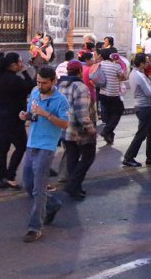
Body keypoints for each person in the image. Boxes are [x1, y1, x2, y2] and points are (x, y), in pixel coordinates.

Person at [19, 66, 69, 243]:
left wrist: (46, 114)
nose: (40, 86)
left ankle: (35, 227)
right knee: (28, 184)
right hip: (32, 143)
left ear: (53, 81)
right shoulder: (35, 92)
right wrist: (26, 115)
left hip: (47, 146)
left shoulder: (61, 100)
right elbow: (32, 115)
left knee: (39, 188)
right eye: (38, 82)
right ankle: (53, 204)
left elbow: (64, 124)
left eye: (44, 83)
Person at [0, 52, 35, 189]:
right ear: (14, 65)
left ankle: (2, 177)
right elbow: (31, 86)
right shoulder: (14, 80)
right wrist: (25, 72)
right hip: (11, 118)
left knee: (3, 147)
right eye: (20, 62)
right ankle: (10, 175)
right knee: (21, 145)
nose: (22, 64)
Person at [57, 61, 97, 200]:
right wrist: (90, 128)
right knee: (88, 157)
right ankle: (72, 185)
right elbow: (82, 113)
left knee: (72, 157)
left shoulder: (60, 85)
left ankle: (75, 187)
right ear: (80, 71)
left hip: (65, 128)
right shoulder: (80, 87)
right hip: (79, 130)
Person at [122, 53, 151, 168]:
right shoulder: (138, 75)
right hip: (144, 106)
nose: (148, 64)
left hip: (143, 106)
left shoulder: (136, 73)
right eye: (146, 62)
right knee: (142, 133)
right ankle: (129, 157)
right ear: (141, 63)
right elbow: (149, 92)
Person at [90, 48, 126, 146]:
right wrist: (118, 63)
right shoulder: (116, 66)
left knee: (109, 114)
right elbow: (123, 77)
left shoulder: (100, 65)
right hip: (113, 94)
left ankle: (109, 135)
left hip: (102, 93)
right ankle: (106, 131)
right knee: (118, 112)